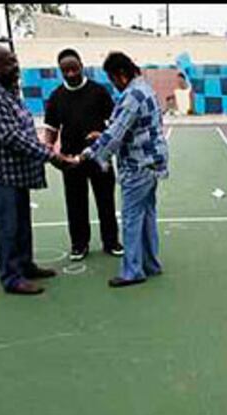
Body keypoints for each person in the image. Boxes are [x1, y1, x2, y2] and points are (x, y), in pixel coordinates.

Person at [0, 45, 76, 295]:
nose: (15, 67)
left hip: (14, 173)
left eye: (14, 61)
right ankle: (11, 277)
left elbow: (23, 128)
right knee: (5, 228)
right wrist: (52, 155)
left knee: (20, 224)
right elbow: (12, 136)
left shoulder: (9, 89)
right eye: (8, 63)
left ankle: (25, 265)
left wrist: (47, 151)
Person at [75, 52, 169, 288]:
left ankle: (132, 271)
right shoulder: (145, 89)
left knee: (131, 218)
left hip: (138, 165)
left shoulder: (132, 96)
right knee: (147, 214)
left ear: (122, 75)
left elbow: (115, 134)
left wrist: (85, 155)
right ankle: (151, 264)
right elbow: (128, 128)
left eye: (113, 79)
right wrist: (105, 135)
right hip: (152, 163)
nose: (113, 85)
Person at [44, 48, 123, 261]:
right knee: (75, 203)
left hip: (99, 157)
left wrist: (103, 136)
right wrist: (49, 148)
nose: (70, 73)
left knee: (106, 201)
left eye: (74, 68)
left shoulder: (98, 91)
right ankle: (79, 244)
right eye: (65, 70)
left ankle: (111, 241)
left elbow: (114, 123)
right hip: (70, 160)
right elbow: (51, 128)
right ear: (60, 71)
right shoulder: (56, 97)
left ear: (82, 66)